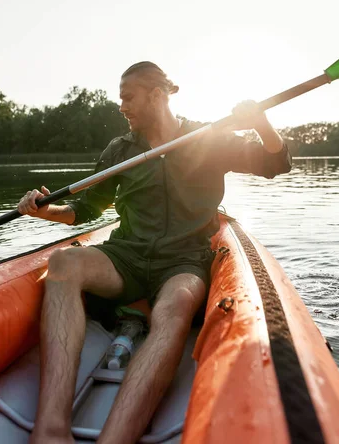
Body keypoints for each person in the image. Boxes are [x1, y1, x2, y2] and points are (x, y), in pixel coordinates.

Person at [18, 61, 292, 444]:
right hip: (126, 256)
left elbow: (275, 163)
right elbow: (86, 209)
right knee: (63, 262)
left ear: (157, 95)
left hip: (184, 260)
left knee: (176, 304)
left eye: (127, 97)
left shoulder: (206, 138)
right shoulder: (120, 150)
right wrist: (47, 210)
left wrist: (259, 122)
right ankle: (49, 431)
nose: (121, 106)